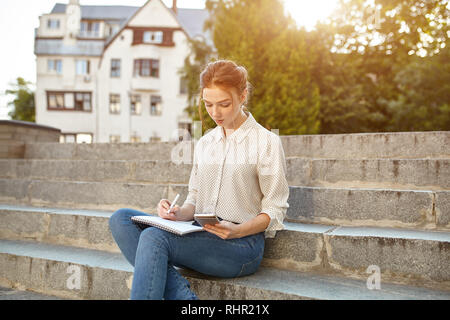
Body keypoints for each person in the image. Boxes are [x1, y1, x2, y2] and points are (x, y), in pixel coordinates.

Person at [109, 59, 290, 300]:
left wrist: (236, 231)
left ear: (243, 95)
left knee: (153, 238)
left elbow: (275, 208)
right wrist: (176, 213)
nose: (215, 113)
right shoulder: (205, 143)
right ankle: (185, 298)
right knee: (121, 219)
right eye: (208, 104)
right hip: (198, 233)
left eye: (224, 104)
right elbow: (194, 199)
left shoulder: (266, 142)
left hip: (241, 246)